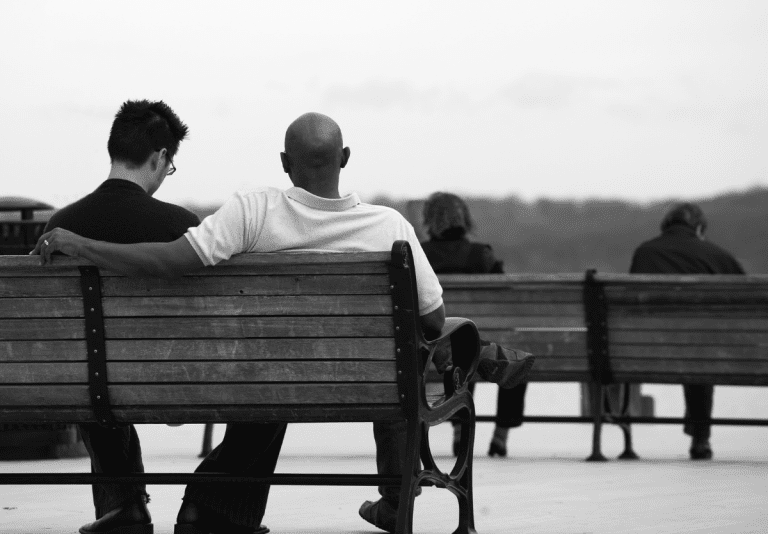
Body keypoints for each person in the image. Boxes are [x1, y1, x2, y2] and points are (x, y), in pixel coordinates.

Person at [33, 112, 532, 534]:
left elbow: (171, 260)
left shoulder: (254, 210)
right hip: (370, 384)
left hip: (268, 375)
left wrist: (82, 246)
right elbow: (432, 319)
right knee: (424, 344)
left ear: (283, 164)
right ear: (346, 158)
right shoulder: (389, 228)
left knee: (273, 375)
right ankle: (403, 482)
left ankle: (211, 506)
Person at [43, 100, 200, 534]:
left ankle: (121, 505)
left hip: (90, 385)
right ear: (160, 158)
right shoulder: (182, 228)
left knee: (91, 373)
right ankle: (218, 504)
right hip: (182, 380)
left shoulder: (60, 226)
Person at [630, 202, 745, 460]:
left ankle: (622, 433)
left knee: (694, 345)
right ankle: (700, 439)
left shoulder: (644, 253)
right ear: (700, 228)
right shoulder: (718, 256)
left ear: (666, 226)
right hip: (704, 353)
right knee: (699, 349)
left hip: (638, 351)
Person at [420, 192, 530, 458]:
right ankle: (500, 435)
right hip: (474, 344)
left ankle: (460, 427)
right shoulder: (481, 255)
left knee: (458, 353)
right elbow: (504, 298)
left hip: (433, 351)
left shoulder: (420, 254)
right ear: (465, 219)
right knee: (503, 357)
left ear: (428, 220)